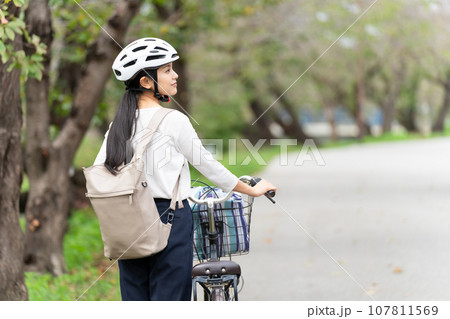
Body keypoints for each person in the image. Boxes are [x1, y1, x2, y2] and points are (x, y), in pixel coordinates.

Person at [93, 37, 276, 301]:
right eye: (167, 70)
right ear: (146, 81)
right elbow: (207, 165)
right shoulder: (173, 120)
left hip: (127, 222)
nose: (175, 75)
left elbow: (101, 172)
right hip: (169, 218)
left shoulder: (118, 125)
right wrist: (251, 189)